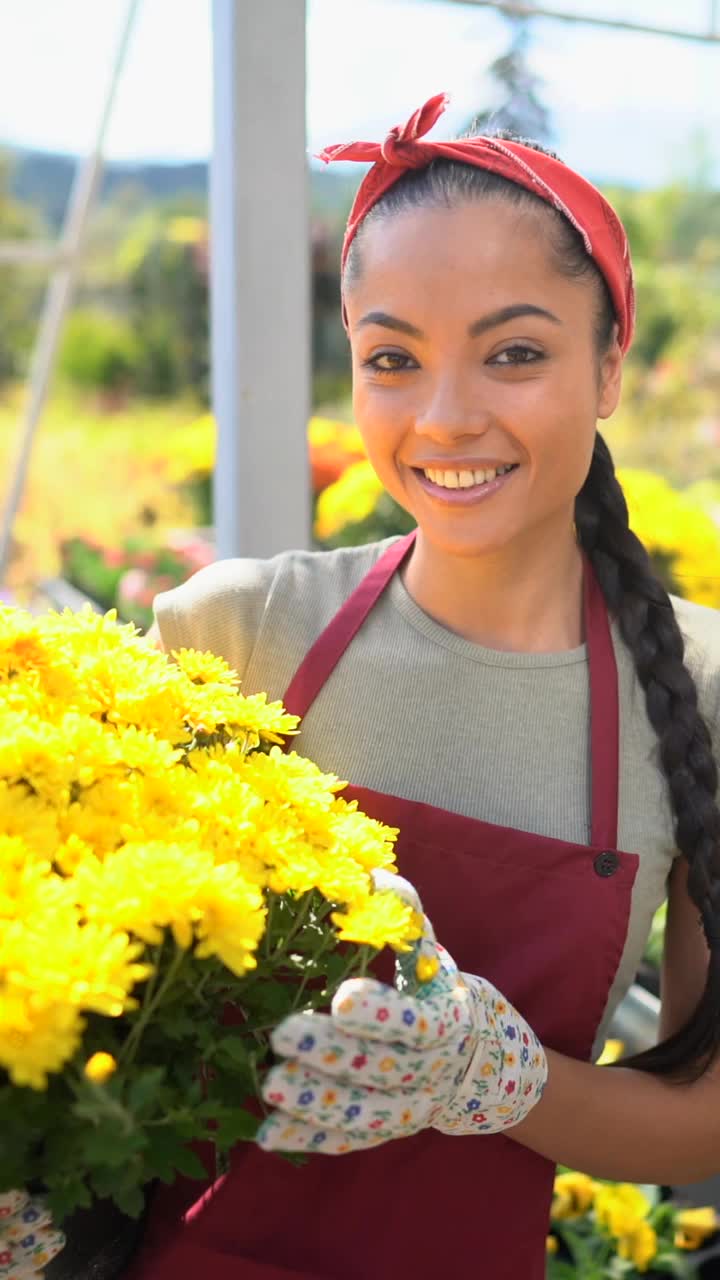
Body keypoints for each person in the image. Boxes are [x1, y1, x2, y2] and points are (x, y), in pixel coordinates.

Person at [6, 92, 720, 1280]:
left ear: (609, 365)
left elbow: (704, 1113)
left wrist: (499, 1082)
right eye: (394, 357)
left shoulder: (699, 686)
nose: (445, 417)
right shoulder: (234, 627)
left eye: (516, 353)